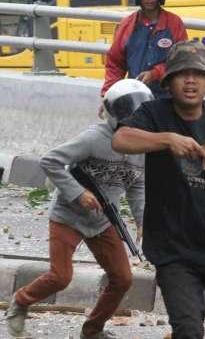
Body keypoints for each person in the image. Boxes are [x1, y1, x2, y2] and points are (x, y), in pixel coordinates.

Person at [111, 41, 205, 339]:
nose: (190, 81)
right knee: (188, 330)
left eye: (198, 75)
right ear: (169, 81)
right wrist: (167, 139)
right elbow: (121, 139)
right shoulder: (154, 113)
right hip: (172, 248)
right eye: (182, 74)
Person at [5, 79, 153, 339]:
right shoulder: (94, 138)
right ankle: (21, 301)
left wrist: (143, 221)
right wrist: (78, 192)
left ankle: (92, 330)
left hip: (103, 220)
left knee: (123, 278)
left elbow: (137, 186)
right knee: (60, 277)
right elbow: (51, 161)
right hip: (68, 216)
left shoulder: (142, 148)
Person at [101, 0, 187, 101]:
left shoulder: (174, 23)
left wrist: (155, 73)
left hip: (169, 97)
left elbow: (183, 59)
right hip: (136, 98)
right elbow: (115, 65)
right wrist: (107, 97)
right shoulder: (126, 25)